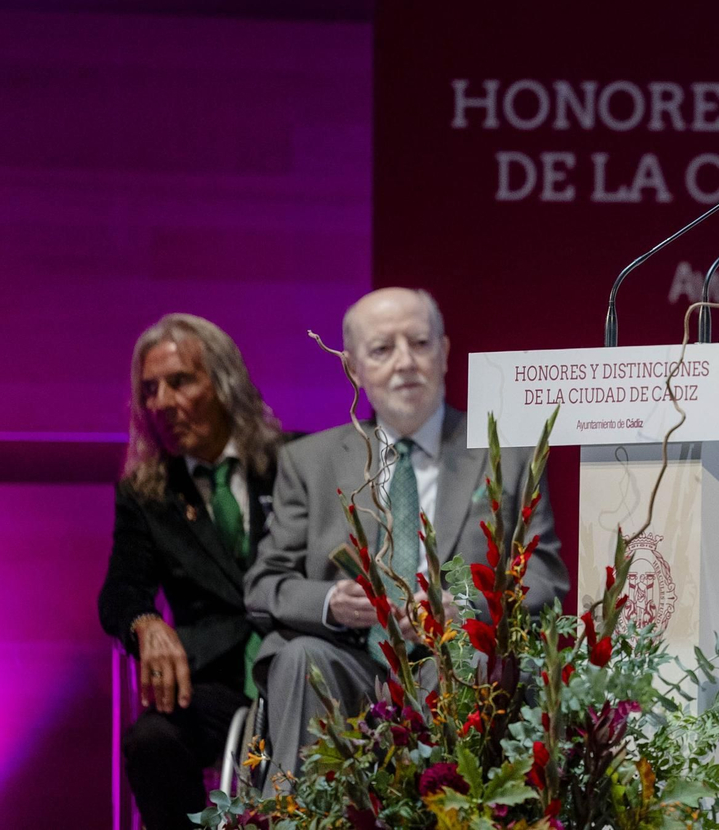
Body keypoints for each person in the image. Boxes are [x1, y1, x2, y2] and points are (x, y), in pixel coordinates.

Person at [244, 287, 569, 782]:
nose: (405, 362)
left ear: (444, 353)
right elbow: (266, 586)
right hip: (348, 659)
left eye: (419, 343)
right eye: (382, 349)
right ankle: (296, 815)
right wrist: (331, 600)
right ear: (354, 369)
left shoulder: (506, 450)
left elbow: (544, 577)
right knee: (299, 657)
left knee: (477, 658)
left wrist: (458, 604)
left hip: (456, 659)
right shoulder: (309, 461)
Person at [98, 314, 283, 830]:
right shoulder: (148, 494)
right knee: (151, 741)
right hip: (213, 684)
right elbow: (122, 587)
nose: (160, 403)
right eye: (149, 390)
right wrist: (145, 622)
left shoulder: (295, 462)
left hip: (299, 671)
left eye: (179, 382)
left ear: (224, 383)